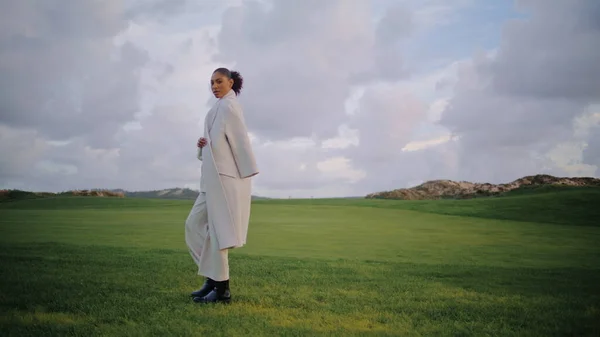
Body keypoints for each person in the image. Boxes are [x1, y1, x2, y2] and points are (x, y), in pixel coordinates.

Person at [184, 68, 259, 304]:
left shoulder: (229, 106)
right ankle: (213, 277)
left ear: (231, 82)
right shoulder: (215, 109)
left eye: (219, 82)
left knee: (218, 235)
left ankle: (222, 290)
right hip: (210, 181)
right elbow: (216, 147)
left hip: (226, 180)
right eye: (212, 83)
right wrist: (202, 146)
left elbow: (241, 141)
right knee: (193, 226)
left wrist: (245, 178)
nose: (214, 86)